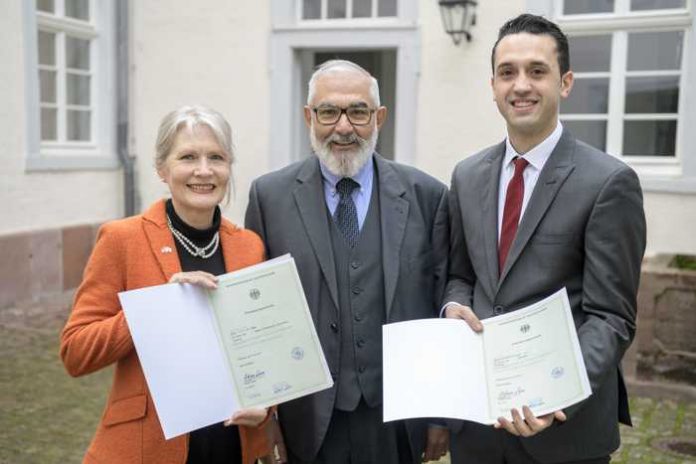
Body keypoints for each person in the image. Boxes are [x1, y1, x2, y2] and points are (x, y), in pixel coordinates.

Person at [443, 14, 646, 464]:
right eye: (507, 72)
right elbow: (460, 274)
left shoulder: (609, 182)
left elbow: (611, 317)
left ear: (565, 82)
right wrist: (453, 307)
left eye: (537, 71)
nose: (521, 85)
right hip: (477, 429)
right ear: (493, 85)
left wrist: (555, 395)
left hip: (562, 433)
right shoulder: (467, 175)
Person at [245, 60, 450, 464]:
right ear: (309, 117)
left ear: (379, 118)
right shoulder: (269, 197)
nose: (343, 127)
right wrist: (268, 417)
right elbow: (257, 316)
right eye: (328, 112)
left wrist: (439, 415)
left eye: (358, 112)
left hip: (398, 416)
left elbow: (443, 304)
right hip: (308, 418)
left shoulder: (427, 194)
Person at [60, 105, 275, 464]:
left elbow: (264, 350)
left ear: (228, 168)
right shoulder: (121, 239)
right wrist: (158, 307)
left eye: (216, 158)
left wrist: (267, 407)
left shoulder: (249, 246)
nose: (204, 171)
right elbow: (76, 353)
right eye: (188, 157)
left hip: (232, 446)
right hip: (148, 448)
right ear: (162, 169)